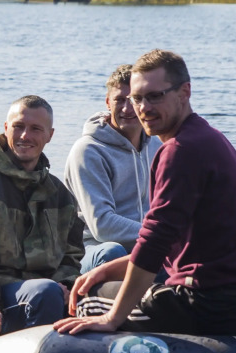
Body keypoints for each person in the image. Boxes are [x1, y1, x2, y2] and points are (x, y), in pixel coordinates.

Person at [56, 50, 236, 340]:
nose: (142, 108)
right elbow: (169, 243)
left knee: (86, 299)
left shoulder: (177, 151)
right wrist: (107, 270)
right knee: (101, 281)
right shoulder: (209, 138)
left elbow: (156, 240)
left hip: (209, 305)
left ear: (185, 92)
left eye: (155, 96)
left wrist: (112, 318)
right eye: (137, 98)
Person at [0, 96, 85, 336]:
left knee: (100, 287)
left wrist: (66, 285)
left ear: (50, 135)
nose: (24, 136)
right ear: (6, 128)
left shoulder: (58, 193)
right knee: (44, 292)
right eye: (18, 127)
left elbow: (72, 254)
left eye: (35, 129)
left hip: (48, 290)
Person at [63, 64, 162, 274]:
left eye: (133, 99)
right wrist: (159, 236)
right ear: (108, 102)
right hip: (92, 250)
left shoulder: (157, 145)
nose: (127, 109)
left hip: (148, 243)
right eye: (119, 100)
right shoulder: (89, 151)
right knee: (112, 252)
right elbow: (103, 225)